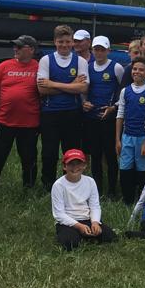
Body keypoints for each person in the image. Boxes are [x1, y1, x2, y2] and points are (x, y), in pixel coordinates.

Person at [0, 35, 41, 189]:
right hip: (4, 122)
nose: (15, 49)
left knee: (29, 158)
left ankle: (28, 188)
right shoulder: (4, 66)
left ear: (31, 50)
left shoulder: (39, 67)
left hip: (29, 124)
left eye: (19, 46)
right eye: (15, 46)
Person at [37, 25, 89, 191]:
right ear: (55, 42)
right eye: (61, 42)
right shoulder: (46, 60)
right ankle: (48, 187)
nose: (64, 45)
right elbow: (42, 90)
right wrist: (70, 85)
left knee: (72, 153)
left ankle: (71, 186)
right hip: (50, 113)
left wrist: (53, 83)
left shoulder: (80, 61)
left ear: (72, 42)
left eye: (68, 42)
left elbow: (83, 88)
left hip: (72, 113)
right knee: (49, 153)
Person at [81, 35, 124, 198]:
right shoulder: (88, 67)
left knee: (111, 155)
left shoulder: (116, 67)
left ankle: (112, 190)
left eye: (102, 50)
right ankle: (97, 190)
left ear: (108, 51)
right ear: (92, 50)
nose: (99, 52)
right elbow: (83, 90)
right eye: (96, 49)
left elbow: (123, 92)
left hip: (109, 119)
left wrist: (113, 107)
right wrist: (84, 103)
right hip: (91, 118)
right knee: (95, 155)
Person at [51, 148, 116, 251]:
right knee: (69, 243)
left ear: (84, 165)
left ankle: (87, 235)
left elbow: (94, 205)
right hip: (68, 222)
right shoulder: (58, 185)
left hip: (87, 219)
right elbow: (59, 214)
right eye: (71, 164)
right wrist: (79, 226)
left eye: (78, 164)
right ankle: (81, 236)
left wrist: (95, 222)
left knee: (110, 236)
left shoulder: (90, 182)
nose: (75, 167)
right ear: (64, 166)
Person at [115, 57, 145, 205]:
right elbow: (120, 115)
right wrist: (118, 140)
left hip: (142, 138)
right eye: (135, 69)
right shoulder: (125, 91)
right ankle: (127, 200)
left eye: (141, 70)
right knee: (125, 169)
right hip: (127, 137)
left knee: (142, 171)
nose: (137, 72)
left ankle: (142, 201)